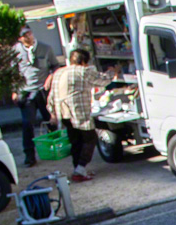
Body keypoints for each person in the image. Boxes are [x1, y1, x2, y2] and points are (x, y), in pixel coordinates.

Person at [47, 49, 117, 182]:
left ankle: (78, 169)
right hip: (78, 112)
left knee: (76, 141)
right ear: (84, 61)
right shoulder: (83, 71)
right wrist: (113, 71)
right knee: (90, 138)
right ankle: (80, 169)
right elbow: (103, 80)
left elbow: (51, 95)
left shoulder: (59, 72)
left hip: (63, 113)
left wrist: (52, 113)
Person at [12, 26, 57, 167]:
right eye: (24, 35)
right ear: (20, 38)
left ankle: (54, 149)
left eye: (29, 33)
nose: (28, 37)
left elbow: (55, 65)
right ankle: (30, 156)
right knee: (27, 124)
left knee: (50, 120)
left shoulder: (45, 48)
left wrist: (51, 77)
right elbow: (13, 72)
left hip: (43, 90)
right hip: (26, 92)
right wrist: (14, 90)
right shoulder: (15, 51)